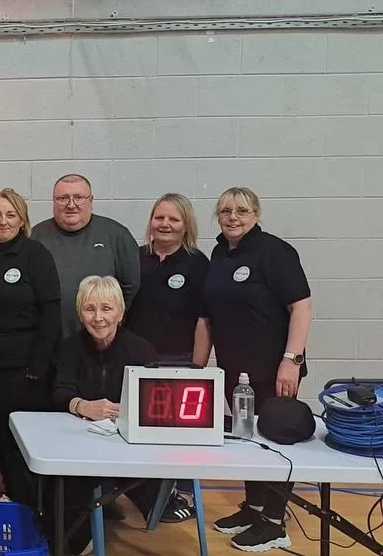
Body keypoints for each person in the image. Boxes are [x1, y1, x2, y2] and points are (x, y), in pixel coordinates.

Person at [202, 187, 311, 553]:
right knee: (248, 440)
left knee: (275, 441)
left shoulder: (275, 252)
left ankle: (275, 524)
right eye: (226, 211)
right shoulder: (219, 253)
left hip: (274, 368)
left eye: (242, 210)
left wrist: (291, 360)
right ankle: (255, 508)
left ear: (257, 215)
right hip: (236, 370)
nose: (233, 217)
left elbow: (301, 307)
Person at [53, 276, 176, 556]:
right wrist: (82, 406)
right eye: (90, 309)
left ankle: (122, 500)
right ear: (80, 313)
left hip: (128, 444)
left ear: (120, 313)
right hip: (80, 441)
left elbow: (158, 401)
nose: (98, 318)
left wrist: (132, 410)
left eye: (106, 309)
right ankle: (79, 532)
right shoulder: (70, 346)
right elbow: (60, 391)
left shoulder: (141, 349)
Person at [0, 188, 60, 509]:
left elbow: (51, 311)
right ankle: (14, 492)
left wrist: (40, 364)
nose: (3, 221)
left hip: (23, 366)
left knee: (18, 436)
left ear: (22, 220)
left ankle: (33, 500)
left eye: (10, 215)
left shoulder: (36, 254)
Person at [123, 193, 211, 523]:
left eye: (173, 219)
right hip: (135, 362)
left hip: (178, 361)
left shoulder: (197, 264)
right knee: (137, 434)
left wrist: (198, 368)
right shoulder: (135, 258)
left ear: (186, 224)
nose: (165, 224)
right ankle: (143, 495)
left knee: (176, 438)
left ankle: (180, 493)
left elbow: (204, 319)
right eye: (159, 217)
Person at [32, 174, 140, 336]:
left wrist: (107, 319)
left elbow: (131, 285)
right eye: (63, 198)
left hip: (99, 340)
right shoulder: (36, 236)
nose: (71, 205)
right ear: (53, 201)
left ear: (91, 200)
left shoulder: (116, 235)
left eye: (79, 198)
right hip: (47, 338)